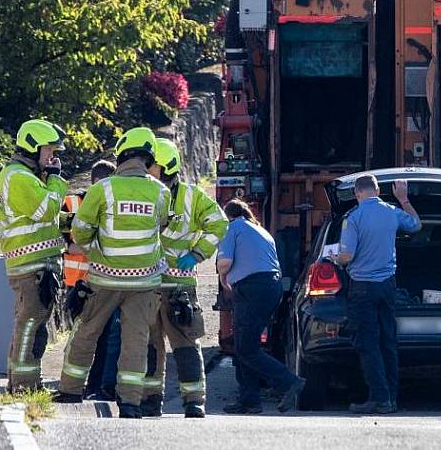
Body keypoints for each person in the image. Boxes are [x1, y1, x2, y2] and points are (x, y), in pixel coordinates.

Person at [55, 127, 171, 419]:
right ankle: (130, 403)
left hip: (105, 278)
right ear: (148, 159)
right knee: (136, 339)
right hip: (145, 281)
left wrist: (95, 250)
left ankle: (70, 391)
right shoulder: (161, 191)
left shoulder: (103, 188)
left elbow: (80, 231)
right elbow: (161, 227)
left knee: (86, 332)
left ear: (122, 155)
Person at [141, 139, 228, 418]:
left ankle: (194, 401)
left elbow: (219, 222)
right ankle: (151, 400)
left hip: (175, 286)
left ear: (167, 167)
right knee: (150, 346)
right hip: (150, 284)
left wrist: (198, 253)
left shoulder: (191, 196)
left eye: (151, 167)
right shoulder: (147, 193)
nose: (147, 172)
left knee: (185, 344)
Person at [333, 175, 421, 414]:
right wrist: (403, 199)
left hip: (362, 287)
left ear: (356, 193)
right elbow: (415, 224)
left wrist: (335, 258)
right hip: (388, 285)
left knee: (368, 344)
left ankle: (380, 398)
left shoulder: (353, 218)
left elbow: (347, 256)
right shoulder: (392, 212)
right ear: (378, 190)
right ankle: (392, 397)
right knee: (388, 341)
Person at [0, 119, 69, 393]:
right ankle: (24, 387)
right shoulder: (20, 178)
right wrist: (58, 182)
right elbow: (46, 210)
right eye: (50, 151)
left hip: (36, 265)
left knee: (34, 326)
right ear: (32, 148)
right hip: (30, 266)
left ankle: (26, 384)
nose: (53, 157)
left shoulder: (26, 177)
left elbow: (47, 219)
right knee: (30, 327)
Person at [217, 199, 305, 415]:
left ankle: (289, 382)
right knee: (245, 344)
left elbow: (225, 261)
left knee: (245, 347)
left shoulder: (233, 227)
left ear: (227, 215)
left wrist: (222, 276)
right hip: (270, 287)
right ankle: (249, 400)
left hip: (252, 288)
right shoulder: (259, 229)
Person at [62, 160, 121, 402]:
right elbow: (67, 243)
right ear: (95, 182)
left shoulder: (113, 206)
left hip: (103, 283)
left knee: (105, 338)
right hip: (78, 284)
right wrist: (101, 247)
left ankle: (93, 386)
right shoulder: (72, 203)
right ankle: (74, 385)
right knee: (81, 336)